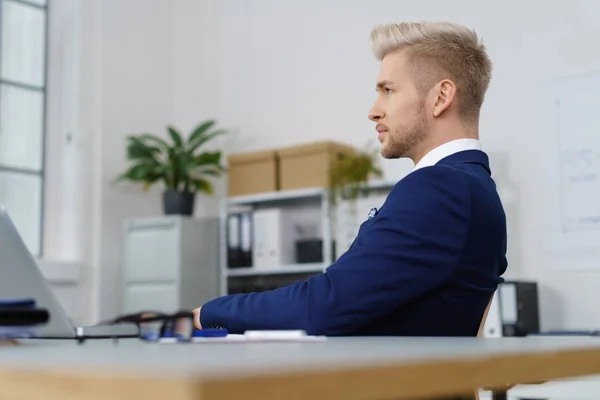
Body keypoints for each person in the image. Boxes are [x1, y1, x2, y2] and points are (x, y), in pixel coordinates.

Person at [192, 21, 507, 336]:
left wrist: (209, 313)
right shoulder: (475, 187)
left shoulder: (440, 188)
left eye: (388, 91)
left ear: (441, 97)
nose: (373, 111)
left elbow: (324, 306)